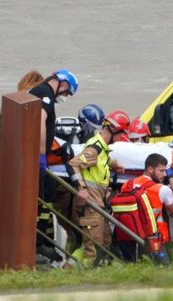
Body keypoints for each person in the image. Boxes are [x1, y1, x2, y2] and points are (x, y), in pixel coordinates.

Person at [29, 70, 79, 262]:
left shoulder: (39, 91)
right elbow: (40, 120)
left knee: (46, 195)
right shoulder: (45, 93)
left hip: (36, 157)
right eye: (67, 93)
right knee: (39, 200)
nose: (65, 96)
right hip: (37, 157)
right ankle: (37, 246)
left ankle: (41, 243)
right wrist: (41, 154)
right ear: (63, 83)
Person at [67, 111, 128, 265]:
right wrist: (80, 187)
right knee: (92, 248)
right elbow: (74, 164)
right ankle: (83, 277)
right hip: (90, 204)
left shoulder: (102, 147)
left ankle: (69, 268)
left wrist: (113, 164)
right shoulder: (96, 147)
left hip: (97, 204)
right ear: (112, 130)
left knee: (105, 240)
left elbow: (99, 162)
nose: (122, 138)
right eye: (121, 134)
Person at [117, 153, 173, 264]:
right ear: (150, 169)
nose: (164, 174)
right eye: (161, 170)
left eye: (165, 171)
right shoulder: (162, 189)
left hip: (128, 236)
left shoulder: (126, 185)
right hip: (153, 239)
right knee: (163, 273)